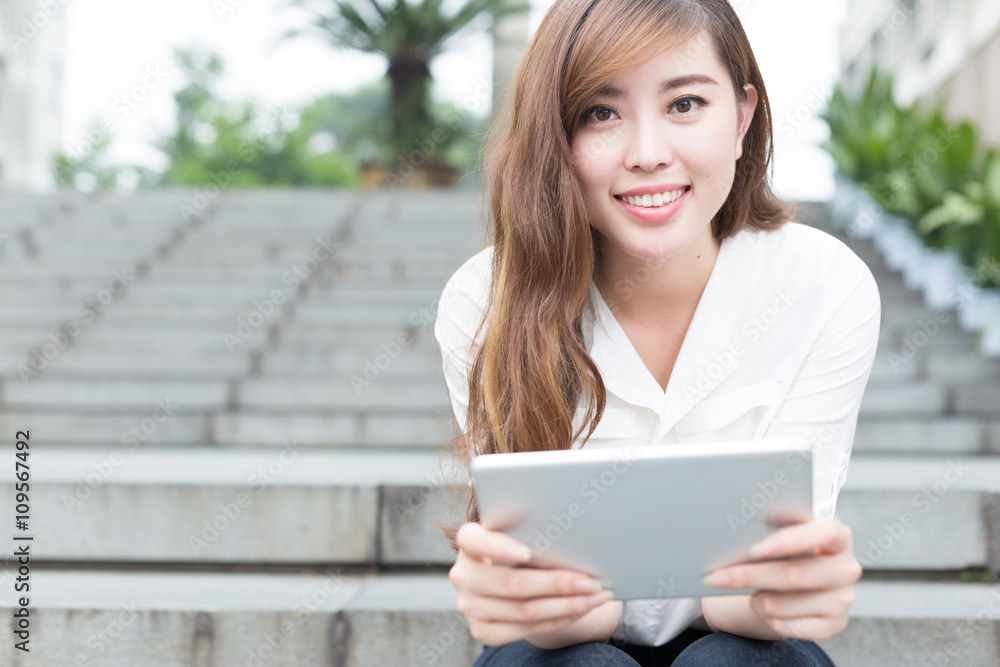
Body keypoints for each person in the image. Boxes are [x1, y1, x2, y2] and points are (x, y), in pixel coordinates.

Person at [432, 0, 880, 664]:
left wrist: (787, 587)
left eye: (686, 104)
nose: (647, 154)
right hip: (572, 643)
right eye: (600, 112)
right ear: (555, 134)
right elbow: (574, 607)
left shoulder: (823, 286)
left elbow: (749, 594)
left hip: (742, 640)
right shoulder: (486, 299)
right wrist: (530, 597)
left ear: (743, 116)